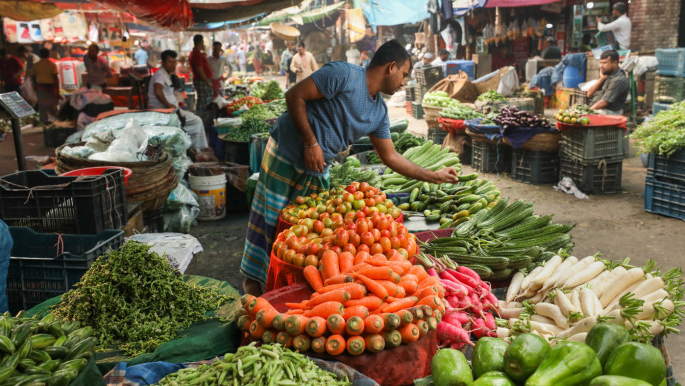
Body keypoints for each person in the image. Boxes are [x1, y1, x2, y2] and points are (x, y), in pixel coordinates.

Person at [240, 39, 460, 295]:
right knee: (269, 222)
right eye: (404, 74)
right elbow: (294, 95)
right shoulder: (343, 75)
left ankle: (284, 289)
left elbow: (391, 157)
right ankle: (254, 287)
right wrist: (311, 142)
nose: (404, 82)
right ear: (391, 67)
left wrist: (435, 176)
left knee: (305, 234)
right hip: (286, 152)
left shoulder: (378, 112)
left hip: (318, 168)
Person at [148, 50, 208, 150]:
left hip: (170, 111)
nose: (173, 64)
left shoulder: (166, 74)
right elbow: (158, 92)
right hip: (164, 112)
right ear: (163, 63)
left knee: (194, 118)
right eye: (170, 62)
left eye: (174, 62)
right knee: (197, 121)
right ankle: (195, 149)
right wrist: (169, 106)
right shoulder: (160, 75)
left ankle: (194, 148)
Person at [587, 50, 629, 115]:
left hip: (612, 112)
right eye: (600, 63)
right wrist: (601, 79)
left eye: (604, 63)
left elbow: (604, 102)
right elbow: (589, 94)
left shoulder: (618, 79)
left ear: (614, 63)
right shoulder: (607, 74)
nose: (601, 66)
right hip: (600, 108)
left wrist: (587, 112)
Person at [28, 48, 59, 123]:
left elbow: (33, 77)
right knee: (52, 105)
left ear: (40, 55)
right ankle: (54, 121)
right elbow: (56, 79)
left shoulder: (36, 65)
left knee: (42, 106)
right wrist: (57, 90)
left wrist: (34, 86)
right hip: (51, 88)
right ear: (48, 54)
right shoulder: (52, 65)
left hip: (40, 87)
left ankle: (44, 121)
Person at [188, 34, 213, 116]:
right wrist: (207, 81)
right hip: (201, 80)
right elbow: (199, 69)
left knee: (204, 99)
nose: (203, 44)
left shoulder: (196, 53)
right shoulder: (196, 54)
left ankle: (203, 117)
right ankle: (202, 117)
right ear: (200, 42)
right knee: (203, 100)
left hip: (200, 80)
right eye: (202, 42)